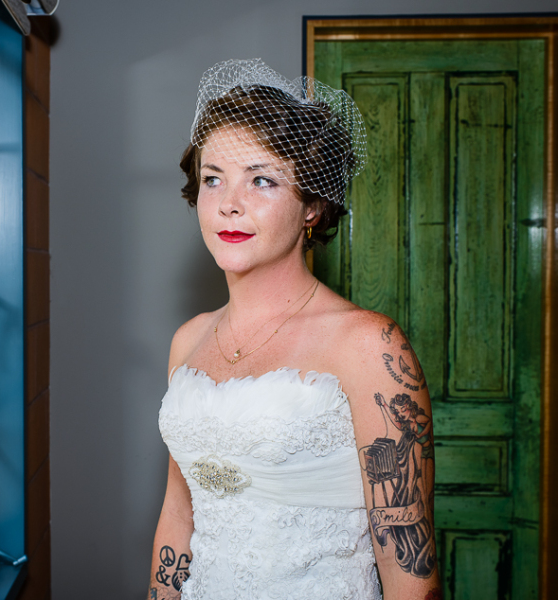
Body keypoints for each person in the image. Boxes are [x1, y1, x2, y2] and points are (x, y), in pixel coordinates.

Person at [148, 59, 442, 600]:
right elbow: (178, 511)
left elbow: (410, 574)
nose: (229, 203)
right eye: (213, 179)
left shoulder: (368, 346)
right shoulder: (187, 341)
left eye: (261, 179)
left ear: (310, 205)